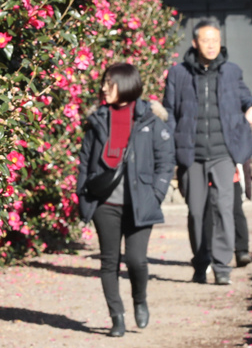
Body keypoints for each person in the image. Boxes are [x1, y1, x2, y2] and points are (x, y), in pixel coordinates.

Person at [76, 63, 175, 338]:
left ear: (126, 84)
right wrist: (82, 194)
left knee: (136, 260)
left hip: (140, 203)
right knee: (109, 262)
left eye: (110, 82)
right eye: (104, 82)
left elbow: (165, 162)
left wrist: (155, 194)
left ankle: (140, 299)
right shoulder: (98, 119)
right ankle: (116, 317)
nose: (104, 87)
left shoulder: (149, 119)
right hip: (104, 204)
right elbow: (84, 161)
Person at [163, 19, 252, 285]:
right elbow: (170, 112)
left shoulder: (231, 71)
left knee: (224, 209)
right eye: (206, 40)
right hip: (191, 154)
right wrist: (170, 142)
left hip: (223, 154)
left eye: (215, 40)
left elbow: (247, 98)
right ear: (195, 43)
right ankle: (201, 262)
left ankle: (222, 267)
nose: (211, 45)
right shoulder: (178, 74)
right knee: (195, 212)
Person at [202, 162, 251, 267]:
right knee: (209, 215)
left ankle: (242, 250)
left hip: (231, 176)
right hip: (208, 178)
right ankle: (209, 252)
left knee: (237, 212)